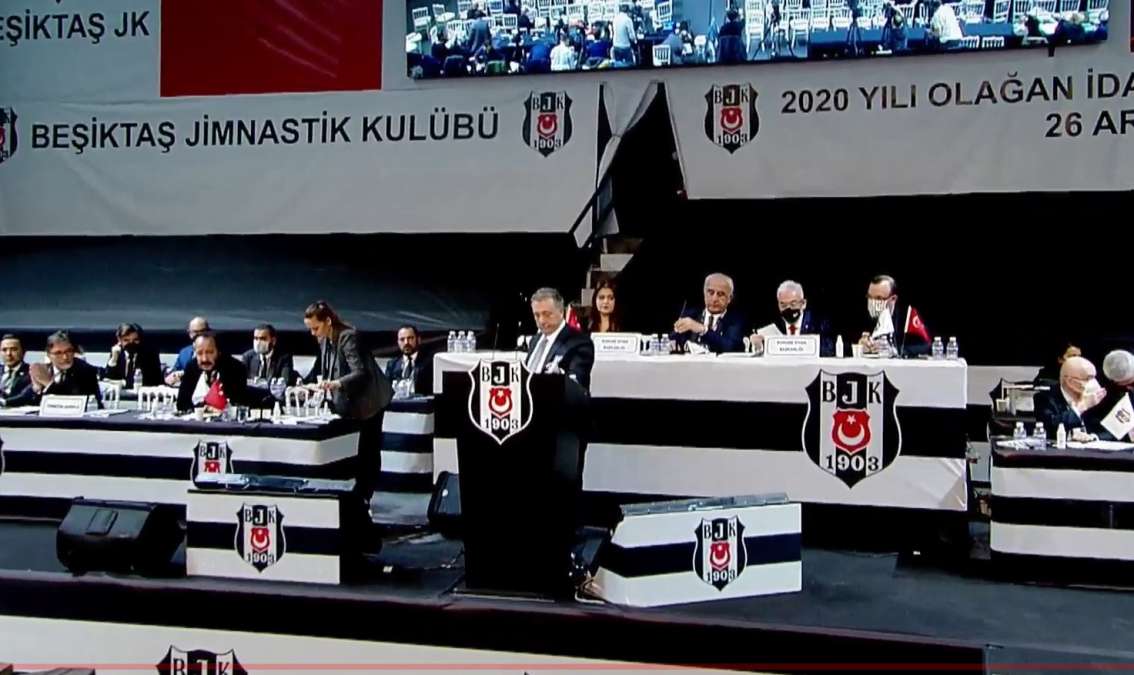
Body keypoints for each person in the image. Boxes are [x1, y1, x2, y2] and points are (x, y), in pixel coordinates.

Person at [303, 301, 394, 544]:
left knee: (367, 450)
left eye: (315, 328)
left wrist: (336, 384)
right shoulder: (324, 340)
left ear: (328, 322)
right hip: (347, 404)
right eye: (310, 329)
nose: (313, 333)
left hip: (369, 401)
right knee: (351, 452)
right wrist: (306, 383)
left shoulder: (348, 337)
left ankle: (364, 499)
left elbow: (360, 372)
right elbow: (321, 370)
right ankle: (353, 499)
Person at [527, 288, 596, 389]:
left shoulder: (580, 342)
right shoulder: (534, 341)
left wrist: (559, 375)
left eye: (547, 314)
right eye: (537, 315)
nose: (541, 320)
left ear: (561, 312)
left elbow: (577, 383)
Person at [176, 333, 258, 412]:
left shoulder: (235, 368)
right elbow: (182, 404)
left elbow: (238, 404)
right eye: (199, 353)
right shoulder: (191, 367)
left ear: (218, 352)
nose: (204, 359)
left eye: (210, 352)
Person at [751, 280, 834, 356]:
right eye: (783, 305)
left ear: (803, 303)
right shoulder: (771, 323)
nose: (788, 309)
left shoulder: (819, 323)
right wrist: (758, 345)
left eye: (793, 304)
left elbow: (829, 350)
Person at [1034, 356, 1108, 437]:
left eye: (1094, 377)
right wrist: (1082, 407)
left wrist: (1094, 437)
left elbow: (1112, 430)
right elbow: (1050, 428)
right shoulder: (1044, 398)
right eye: (1088, 378)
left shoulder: (1097, 398)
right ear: (1070, 382)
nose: (1094, 383)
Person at [673, 273, 746, 353]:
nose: (714, 299)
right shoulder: (691, 315)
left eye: (720, 294)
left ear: (730, 298)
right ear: (704, 293)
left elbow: (730, 347)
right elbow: (673, 340)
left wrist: (703, 330)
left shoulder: (736, 321)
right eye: (711, 293)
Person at [858, 275, 930, 357]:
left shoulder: (908, 315)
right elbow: (846, 343)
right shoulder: (864, 312)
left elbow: (926, 346)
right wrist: (859, 346)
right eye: (869, 297)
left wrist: (895, 351)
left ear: (893, 299)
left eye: (879, 298)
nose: (872, 302)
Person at [32, 331, 103, 407]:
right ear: (49, 355)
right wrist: (37, 389)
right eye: (58, 353)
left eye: (68, 351)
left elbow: (73, 401)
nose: (65, 357)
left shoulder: (85, 371)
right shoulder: (45, 370)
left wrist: (49, 384)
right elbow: (27, 399)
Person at [101, 323, 164, 389]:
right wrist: (114, 359)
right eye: (126, 340)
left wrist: (124, 383)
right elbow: (108, 379)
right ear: (119, 340)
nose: (131, 343)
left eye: (135, 340)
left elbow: (154, 380)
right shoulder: (117, 351)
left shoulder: (150, 353)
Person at [384, 324, 432, 395]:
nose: (406, 342)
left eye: (410, 338)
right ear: (398, 342)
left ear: (418, 340)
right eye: (402, 339)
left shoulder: (430, 362)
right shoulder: (392, 364)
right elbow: (385, 391)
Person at [168, 316, 210, 384]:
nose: (199, 335)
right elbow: (174, 373)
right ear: (189, 333)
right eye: (196, 332)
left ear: (208, 332)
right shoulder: (184, 353)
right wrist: (174, 376)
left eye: (202, 331)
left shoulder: (214, 352)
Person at [0, 335, 37, 408]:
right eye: (4, 350)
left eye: (13, 349)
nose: (8, 354)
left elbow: (25, 396)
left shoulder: (32, 372)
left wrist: (3, 402)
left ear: (23, 352)